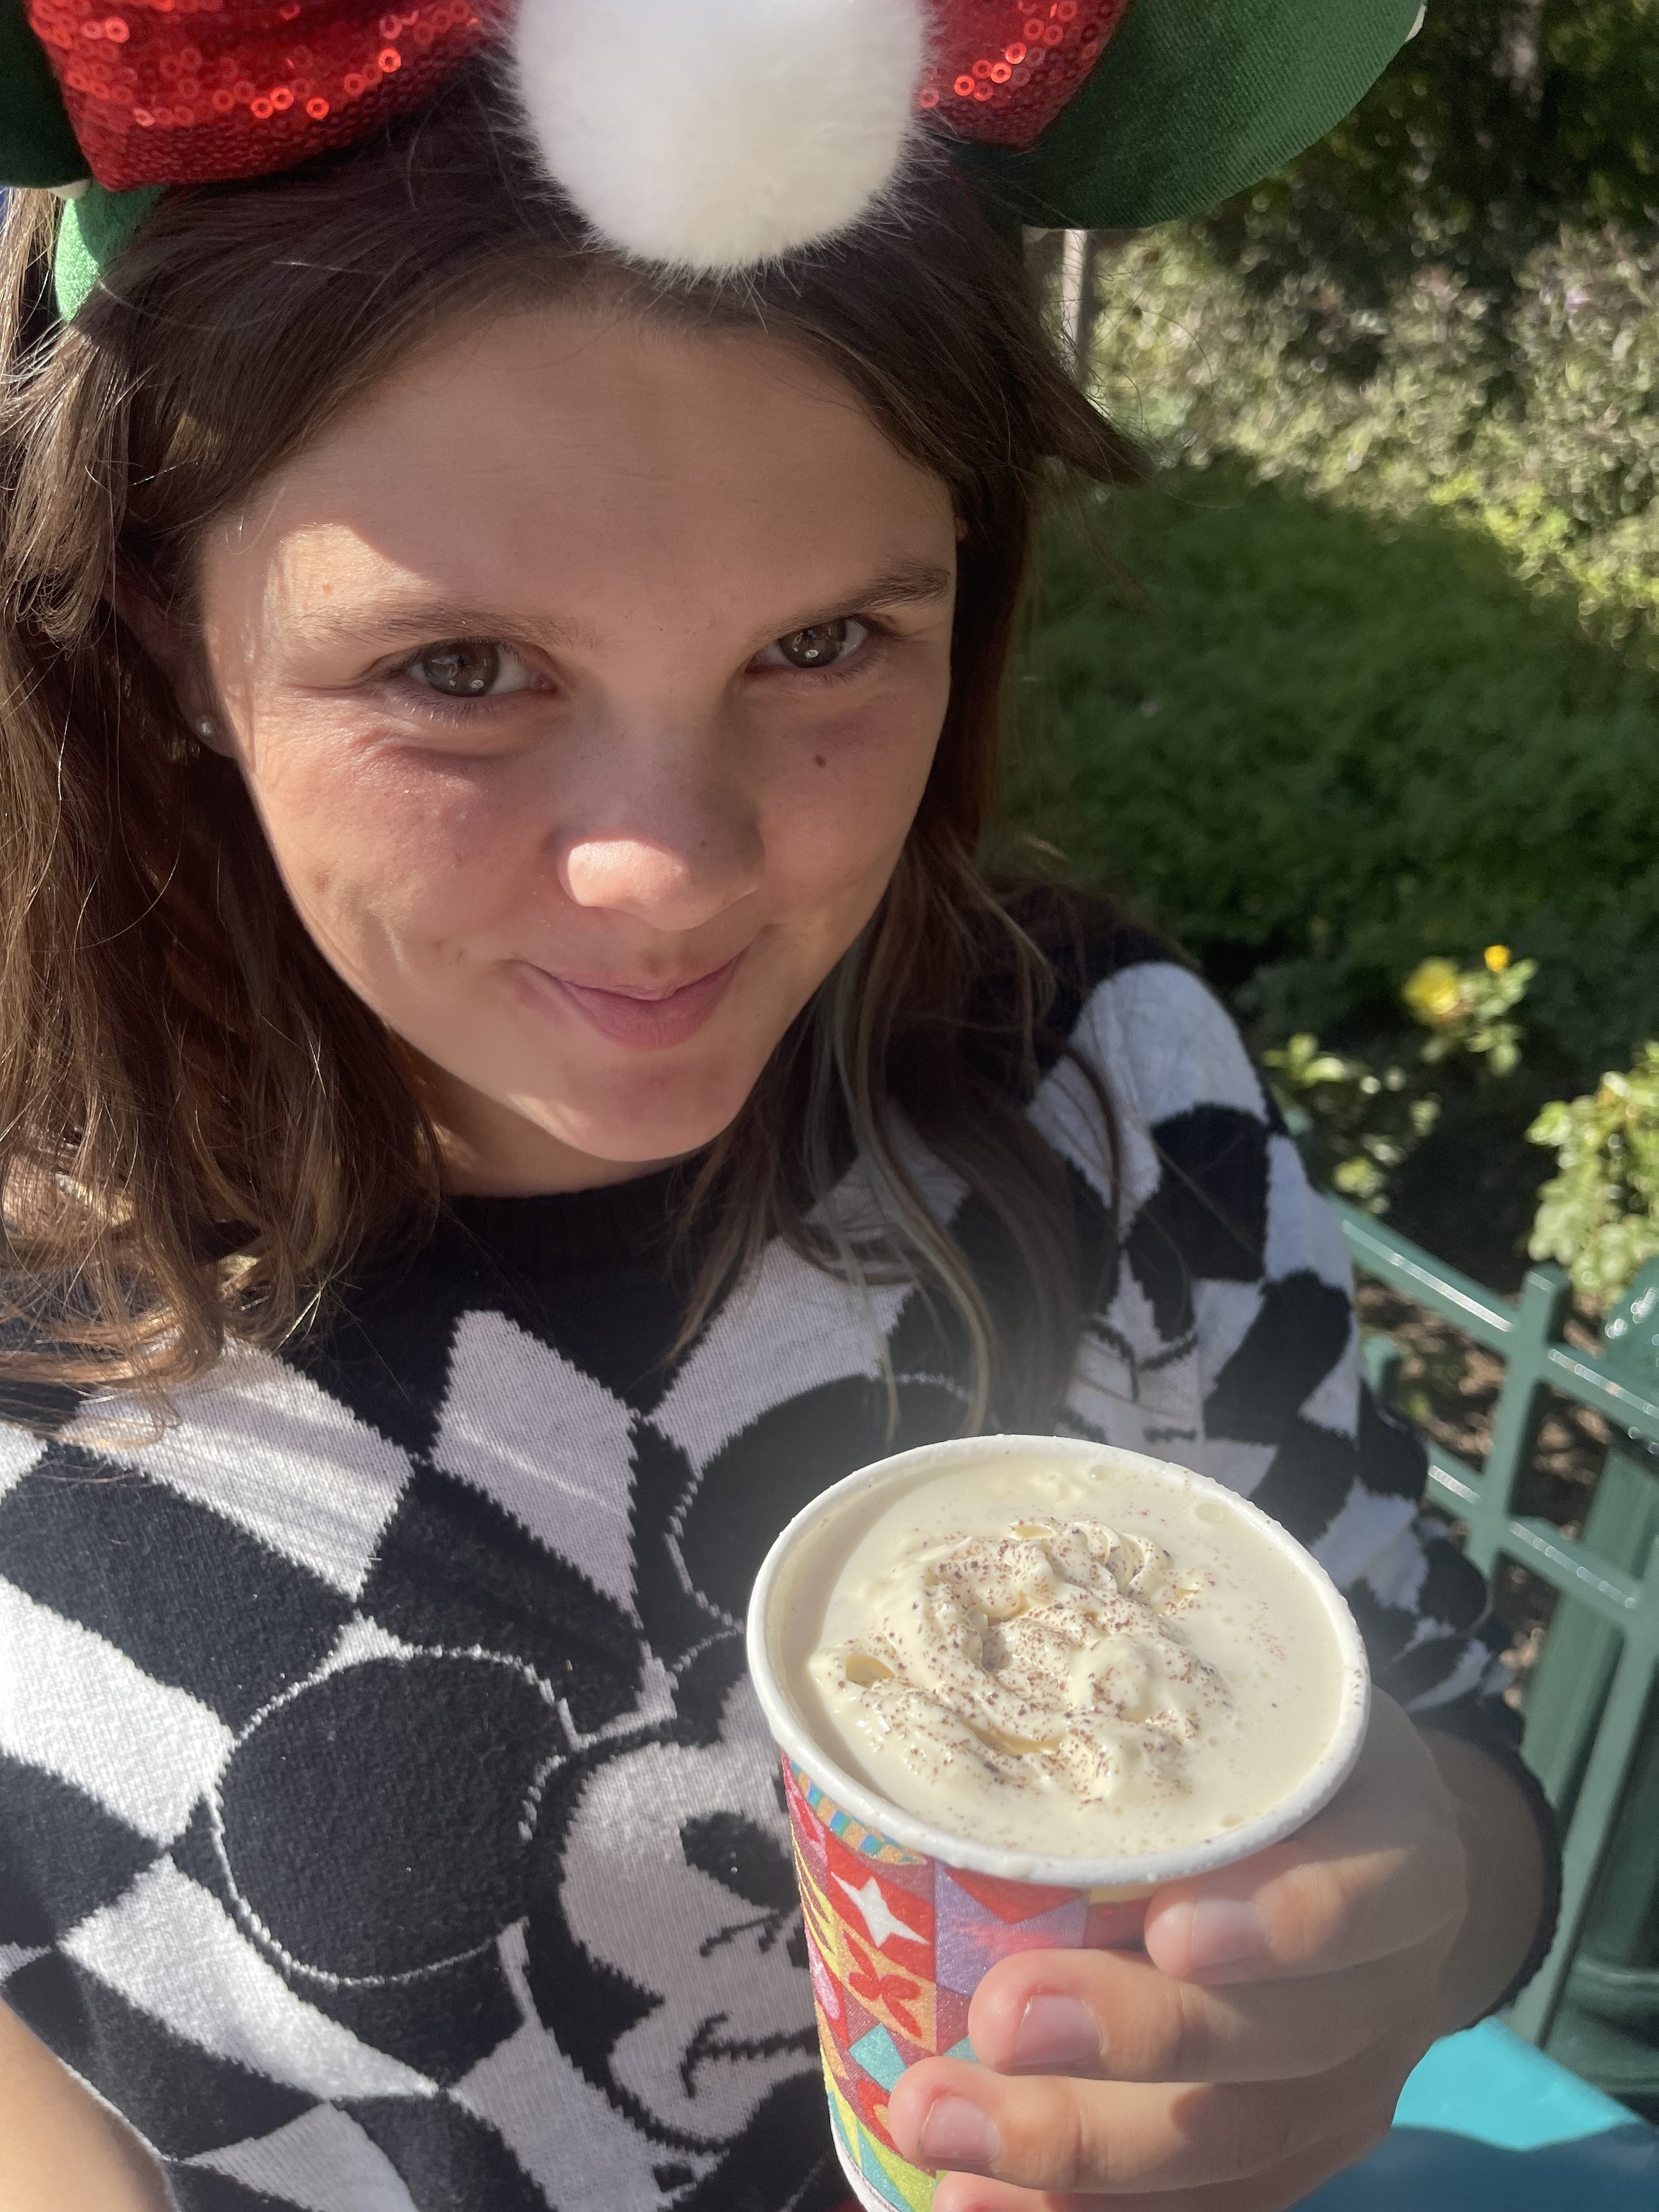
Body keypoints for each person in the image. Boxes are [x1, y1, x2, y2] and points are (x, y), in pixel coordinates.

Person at [0, 6, 1554, 2210]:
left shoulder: (1100, 1084)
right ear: (167, 622)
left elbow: (1445, 1745)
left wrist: (1409, 1919)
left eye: (824, 645)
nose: (677, 866)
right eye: (459, 670)